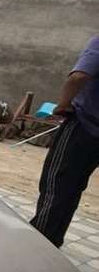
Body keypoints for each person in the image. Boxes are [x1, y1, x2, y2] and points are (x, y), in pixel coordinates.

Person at [31, 37, 99, 246]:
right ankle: (53, 241)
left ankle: (38, 244)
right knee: (73, 189)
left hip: (82, 126)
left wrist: (62, 104)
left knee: (56, 185)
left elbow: (78, 77)